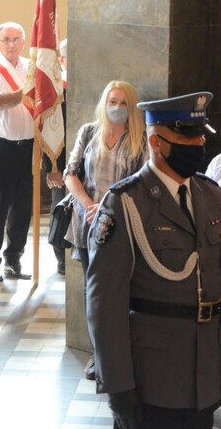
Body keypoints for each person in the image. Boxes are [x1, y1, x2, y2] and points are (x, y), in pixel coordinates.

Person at [86, 92, 221, 429]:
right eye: (186, 137)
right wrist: (118, 384)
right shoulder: (125, 202)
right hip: (152, 375)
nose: (197, 144)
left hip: (204, 370)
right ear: (156, 142)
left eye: (200, 135)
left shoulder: (210, 195)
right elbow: (104, 304)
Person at [65, 79, 146, 381]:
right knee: (93, 291)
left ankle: (120, 354)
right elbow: (70, 173)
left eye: (124, 103)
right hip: (86, 222)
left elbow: (142, 179)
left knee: (120, 290)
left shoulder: (141, 137)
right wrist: (88, 204)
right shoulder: (89, 132)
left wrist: (109, 205)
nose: (117, 107)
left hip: (122, 223)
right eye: (112, 101)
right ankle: (97, 354)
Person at [0, 22, 34, 281]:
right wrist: (26, 93)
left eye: (16, 39)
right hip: (2, 145)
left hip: (29, 144)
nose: (11, 44)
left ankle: (13, 259)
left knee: (23, 206)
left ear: (23, 42)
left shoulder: (32, 67)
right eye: (6, 39)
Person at [43, 37, 69, 275]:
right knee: (60, 208)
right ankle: (60, 256)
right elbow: (47, 130)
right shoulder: (55, 89)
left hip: (85, 163)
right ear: (61, 59)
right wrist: (52, 167)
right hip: (60, 163)